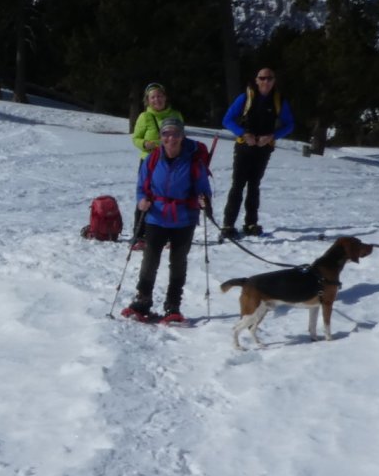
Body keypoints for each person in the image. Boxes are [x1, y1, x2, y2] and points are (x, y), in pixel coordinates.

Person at [124, 114, 212, 324]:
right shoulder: (152, 159)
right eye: (166, 133)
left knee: (178, 263)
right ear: (161, 136)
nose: (170, 138)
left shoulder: (193, 162)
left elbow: (204, 190)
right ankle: (143, 300)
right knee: (149, 261)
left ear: (182, 136)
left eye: (175, 134)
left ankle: (173, 305)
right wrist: (141, 200)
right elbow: (141, 187)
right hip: (156, 217)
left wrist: (204, 201)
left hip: (184, 219)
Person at [219, 68, 295, 239]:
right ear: (257, 80)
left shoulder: (279, 101)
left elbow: (290, 124)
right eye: (263, 78)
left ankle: (251, 223)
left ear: (274, 81)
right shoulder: (246, 97)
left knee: (254, 185)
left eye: (269, 78)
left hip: (264, 148)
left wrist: (272, 137)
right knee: (238, 184)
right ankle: (228, 224)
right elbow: (227, 119)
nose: (266, 82)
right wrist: (243, 134)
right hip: (244, 147)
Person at [128, 83, 182, 250]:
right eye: (153, 97)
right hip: (149, 162)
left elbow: (182, 136)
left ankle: (170, 234)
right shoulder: (144, 117)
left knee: (170, 196)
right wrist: (145, 144)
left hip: (172, 161)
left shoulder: (175, 114)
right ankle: (139, 234)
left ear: (165, 97)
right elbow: (135, 138)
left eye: (159, 96)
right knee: (145, 196)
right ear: (148, 101)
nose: (157, 100)